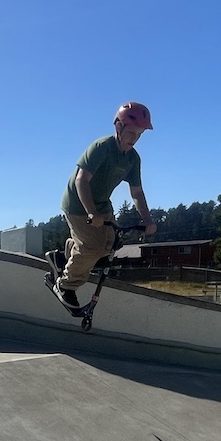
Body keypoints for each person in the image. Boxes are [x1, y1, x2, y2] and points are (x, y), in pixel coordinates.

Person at [49, 101, 159, 308]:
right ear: (119, 127)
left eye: (139, 134)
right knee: (92, 247)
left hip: (102, 206)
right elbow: (82, 180)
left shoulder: (133, 159)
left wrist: (148, 219)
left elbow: (136, 192)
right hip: (78, 204)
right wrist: (91, 213)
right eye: (131, 133)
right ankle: (65, 285)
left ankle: (65, 258)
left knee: (109, 246)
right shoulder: (101, 147)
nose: (134, 139)